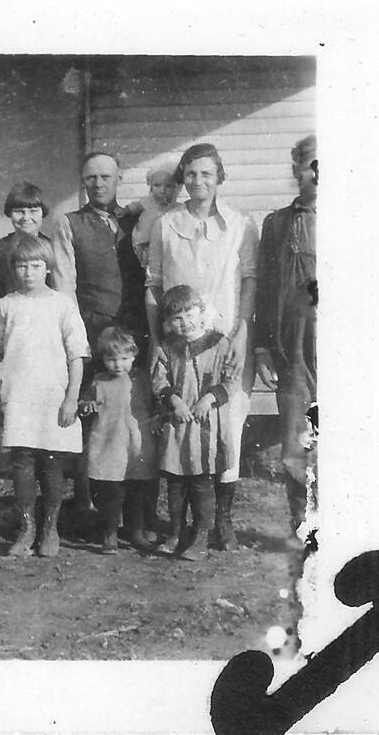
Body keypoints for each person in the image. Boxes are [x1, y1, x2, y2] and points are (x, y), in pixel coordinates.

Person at [146, 143, 260, 551]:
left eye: (206, 174)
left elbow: (249, 281)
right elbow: (153, 286)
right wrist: (157, 340)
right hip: (179, 346)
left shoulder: (241, 224)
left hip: (224, 341)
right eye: (191, 174)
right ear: (183, 178)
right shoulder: (166, 223)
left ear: (219, 177)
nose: (198, 182)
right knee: (184, 429)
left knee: (226, 427)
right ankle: (183, 526)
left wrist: (242, 334)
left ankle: (221, 522)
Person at [46, 152, 148, 517]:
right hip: (92, 330)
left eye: (105, 176)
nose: (98, 184)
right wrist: (76, 338)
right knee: (95, 416)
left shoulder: (139, 220)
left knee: (136, 413)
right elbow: (65, 285)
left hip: (137, 333)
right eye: (91, 178)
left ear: (119, 178)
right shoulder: (70, 223)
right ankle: (91, 505)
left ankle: (137, 510)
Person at [0, 236, 88, 558]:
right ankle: (26, 527)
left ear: (47, 268)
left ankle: (50, 528)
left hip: (52, 395)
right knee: (23, 463)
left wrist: (72, 396)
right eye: (21, 266)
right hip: (17, 395)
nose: (28, 272)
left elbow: (77, 354)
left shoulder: (62, 304)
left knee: (52, 463)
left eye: (35, 265)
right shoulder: (7, 304)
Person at [255, 135, 317, 545]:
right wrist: (262, 345)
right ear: (296, 169)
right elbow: (263, 287)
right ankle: (306, 527)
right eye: (311, 164)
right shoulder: (277, 223)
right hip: (293, 348)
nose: (318, 173)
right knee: (298, 441)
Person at [151, 285, 241, 561]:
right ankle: (176, 533)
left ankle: (201, 536)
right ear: (168, 322)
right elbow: (159, 380)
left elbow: (231, 381)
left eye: (190, 314)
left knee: (201, 485)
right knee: (176, 485)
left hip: (206, 428)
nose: (185, 322)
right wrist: (174, 401)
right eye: (177, 318)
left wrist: (209, 399)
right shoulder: (168, 348)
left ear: (202, 313)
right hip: (178, 428)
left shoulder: (219, 343)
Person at [80, 326, 159, 554]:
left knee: (136, 489)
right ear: (103, 359)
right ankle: (110, 533)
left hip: (135, 443)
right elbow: (85, 404)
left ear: (134, 356)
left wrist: (155, 420)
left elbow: (153, 405)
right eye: (111, 359)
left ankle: (136, 532)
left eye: (124, 358)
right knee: (111, 493)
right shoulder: (98, 381)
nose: (118, 364)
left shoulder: (141, 379)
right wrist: (87, 406)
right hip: (108, 443)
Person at [0, 182, 51, 299]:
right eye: (19, 211)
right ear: (10, 213)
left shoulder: (53, 248)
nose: (26, 218)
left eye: (33, 211)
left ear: (42, 213)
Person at [126, 165, 181, 268]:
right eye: (157, 185)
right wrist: (126, 210)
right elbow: (135, 207)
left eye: (168, 186)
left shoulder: (176, 207)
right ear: (150, 187)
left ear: (175, 188)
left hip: (166, 243)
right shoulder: (147, 202)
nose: (162, 190)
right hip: (146, 240)